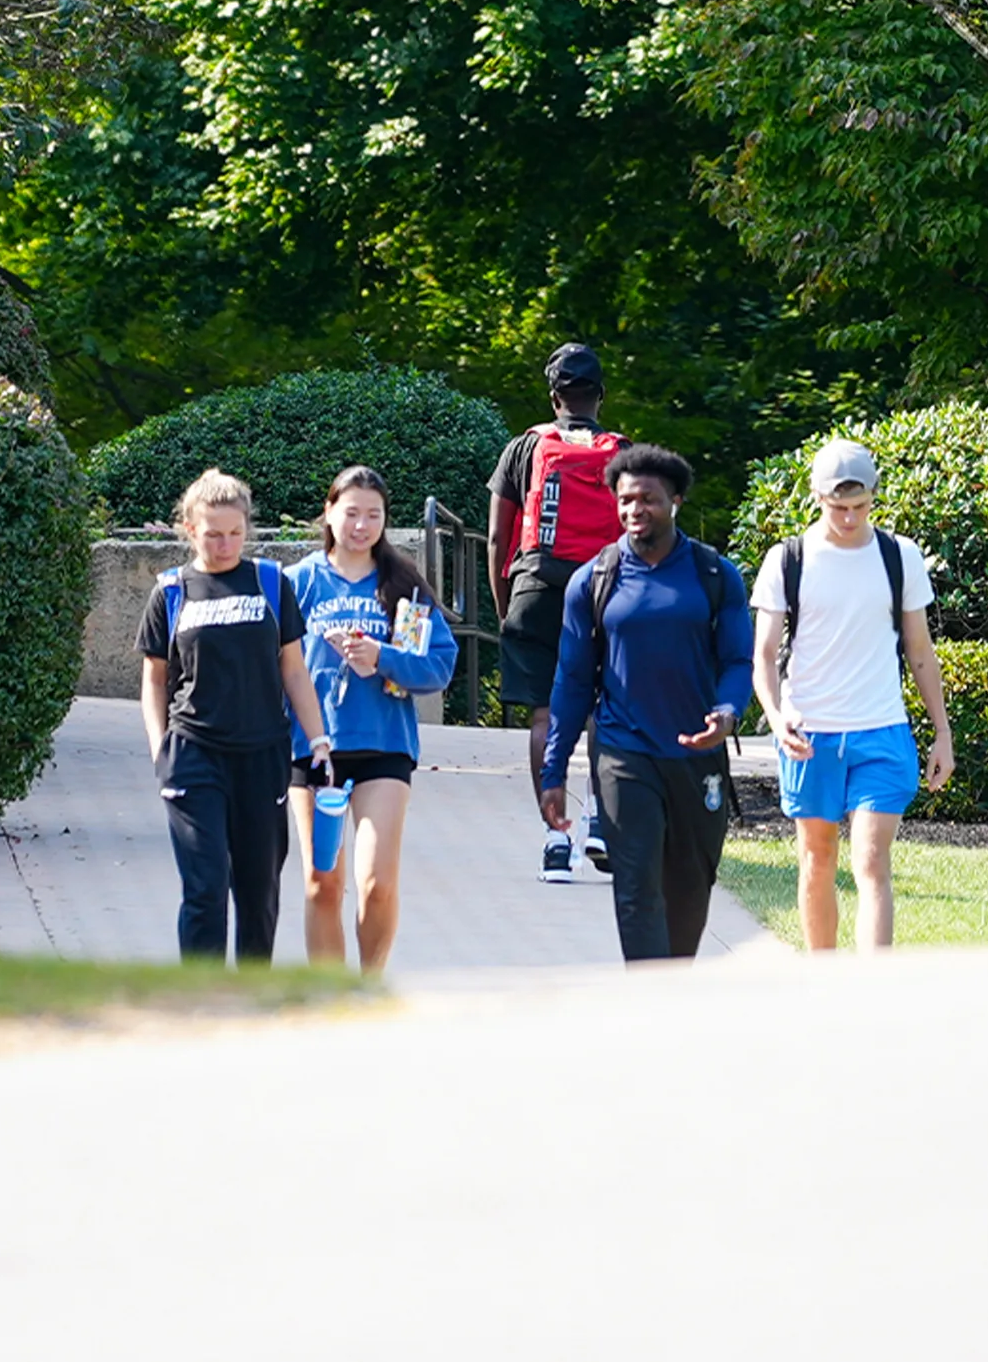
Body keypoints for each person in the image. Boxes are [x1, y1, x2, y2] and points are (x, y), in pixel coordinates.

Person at [540, 444, 754, 962]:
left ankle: (672, 989)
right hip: (622, 752)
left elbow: (737, 662)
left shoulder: (714, 575)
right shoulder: (592, 580)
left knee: (689, 891)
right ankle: (651, 1005)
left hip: (696, 756)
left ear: (676, 500)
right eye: (626, 500)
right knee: (636, 886)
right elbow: (571, 681)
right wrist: (553, 771)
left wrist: (727, 714)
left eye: (649, 500)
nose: (636, 510)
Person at [748, 438, 956, 952]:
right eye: (838, 507)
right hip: (809, 734)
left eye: (859, 507)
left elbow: (921, 652)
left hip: (881, 730)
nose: (848, 518)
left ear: (873, 498)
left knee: (869, 859)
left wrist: (942, 735)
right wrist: (776, 719)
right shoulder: (787, 560)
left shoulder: (898, 556)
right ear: (817, 498)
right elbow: (764, 655)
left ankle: (871, 991)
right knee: (817, 860)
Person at [138, 469, 335, 962]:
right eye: (212, 534)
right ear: (189, 530)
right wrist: (159, 746)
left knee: (258, 892)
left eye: (235, 533)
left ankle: (253, 1001)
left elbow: (294, 671)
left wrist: (319, 741)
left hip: (262, 756)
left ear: (247, 529)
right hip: (193, 754)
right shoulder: (170, 593)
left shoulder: (269, 583)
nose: (225, 545)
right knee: (205, 888)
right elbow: (155, 680)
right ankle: (201, 1005)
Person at [285, 467, 460, 972]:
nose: (361, 526)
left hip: (384, 747)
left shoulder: (403, 584)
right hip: (311, 748)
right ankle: (328, 997)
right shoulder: (298, 583)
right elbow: (272, 665)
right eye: (351, 513)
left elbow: (438, 666)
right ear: (329, 513)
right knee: (323, 883)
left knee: (376, 885)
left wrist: (381, 657)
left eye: (373, 515)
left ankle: (369, 985)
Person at [489, 342, 626, 883]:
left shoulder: (525, 448)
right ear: (600, 397)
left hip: (536, 587)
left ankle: (554, 839)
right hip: (602, 588)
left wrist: (506, 602)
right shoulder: (621, 450)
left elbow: (500, 535)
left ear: (553, 397)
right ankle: (599, 823)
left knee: (545, 715)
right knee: (600, 711)